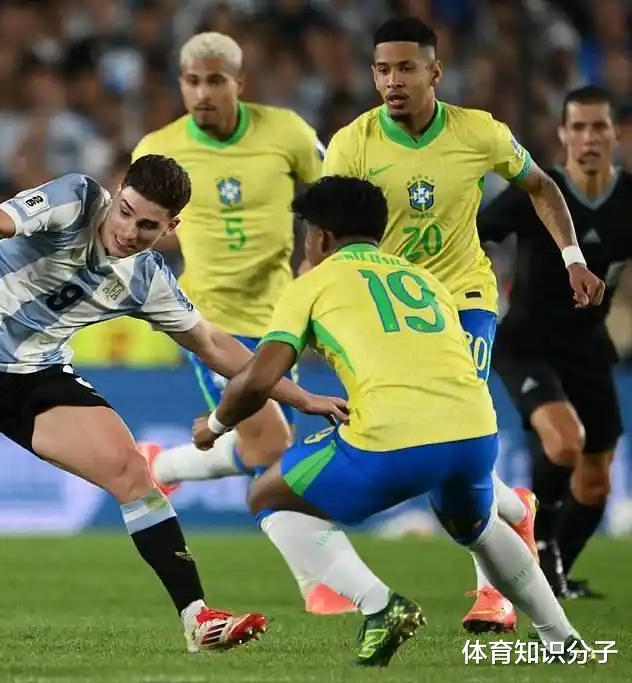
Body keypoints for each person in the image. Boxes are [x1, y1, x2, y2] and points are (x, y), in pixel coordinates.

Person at [0, 155, 349, 652]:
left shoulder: (146, 279)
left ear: (170, 228)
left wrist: (299, 396)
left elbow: (214, 345)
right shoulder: (76, 200)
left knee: (132, 472)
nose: (129, 231)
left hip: (33, 377)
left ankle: (198, 618)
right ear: (116, 195)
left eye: (148, 226)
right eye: (126, 212)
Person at [193, 176, 588, 666]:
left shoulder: (313, 283)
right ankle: (563, 639)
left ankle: (380, 606)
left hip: (391, 442)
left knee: (267, 496)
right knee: (477, 527)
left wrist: (214, 426)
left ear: (321, 237)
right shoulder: (424, 280)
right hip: (475, 434)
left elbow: (257, 378)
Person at [321, 16, 606, 634]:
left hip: (463, 298)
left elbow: (541, 186)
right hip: (391, 309)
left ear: (435, 71)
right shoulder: (352, 143)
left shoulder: (478, 131)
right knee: (421, 445)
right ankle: (516, 509)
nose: (393, 81)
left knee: (458, 425)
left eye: (406, 68)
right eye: (382, 70)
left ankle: (492, 594)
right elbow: (329, 231)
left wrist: (573, 258)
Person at [131, 31, 352, 615]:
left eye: (215, 81)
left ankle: (163, 464)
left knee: (268, 447)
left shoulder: (287, 132)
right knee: (273, 445)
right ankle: (317, 584)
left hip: (286, 316)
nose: (202, 93)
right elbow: (134, 226)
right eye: (191, 81)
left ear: (239, 83)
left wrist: (314, 261)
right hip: (210, 324)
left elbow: (332, 195)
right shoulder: (159, 148)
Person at [481, 85, 631, 599]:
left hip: (589, 348)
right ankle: (537, 551)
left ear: (615, 134)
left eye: (599, 127)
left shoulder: (628, 198)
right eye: (579, 127)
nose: (589, 138)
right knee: (566, 442)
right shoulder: (540, 191)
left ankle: (552, 571)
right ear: (564, 134)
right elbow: (477, 231)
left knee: (596, 483)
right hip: (526, 343)